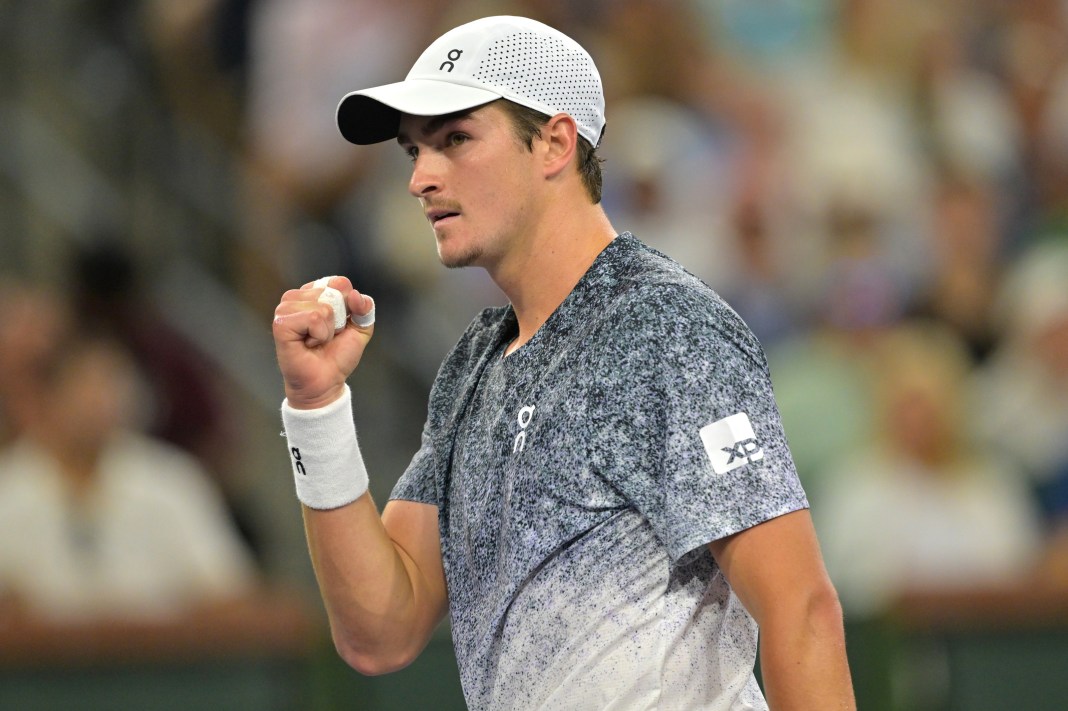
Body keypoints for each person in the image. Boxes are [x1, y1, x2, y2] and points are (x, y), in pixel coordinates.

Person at [271, 15, 854, 710]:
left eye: (456, 139)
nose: (421, 177)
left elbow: (802, 609)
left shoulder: (664, 327)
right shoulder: (472, 367)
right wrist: (316, 407)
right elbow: (380, 630)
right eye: (413, 151)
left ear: (553, 142)